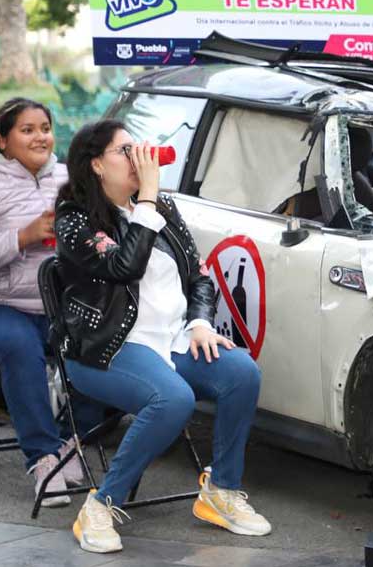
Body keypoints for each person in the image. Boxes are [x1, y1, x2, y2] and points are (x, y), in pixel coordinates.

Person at [54, 120, 269, 554]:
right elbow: (123, 267)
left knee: (241, 374)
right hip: (106, 348)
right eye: (125, 151)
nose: (139, 158)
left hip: (170, 339)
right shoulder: (75, 219)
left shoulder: (161, 207)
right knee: (173, 399)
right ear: (96, 165)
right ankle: (101, 505)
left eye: (138, 148)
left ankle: (221, 491)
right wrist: (147, 200)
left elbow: (199, 275)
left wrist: (200, 322)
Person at [0, 97, 98, 507]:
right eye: (27, 130)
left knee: (104, 337)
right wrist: (22, 237)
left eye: (44, 128)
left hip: (55, 308)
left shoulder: (68, 178)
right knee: (20, 345)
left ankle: (70, 441)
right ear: (2, 139)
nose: (39, 137)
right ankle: (43, 458)